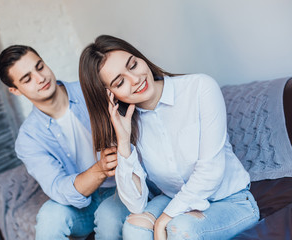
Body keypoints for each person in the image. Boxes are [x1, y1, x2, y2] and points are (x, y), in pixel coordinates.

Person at [78, 35, 260, 240]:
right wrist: (123, 142)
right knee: (134, 228)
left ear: (140, 58)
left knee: (179, 228)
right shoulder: (127, 123)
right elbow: (135, 204)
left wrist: (166, 216)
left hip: (230, 200)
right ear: (109, 95)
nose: (135, 79)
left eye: (133, 65)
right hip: (174, 199)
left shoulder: (200, 87)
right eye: (120, 82)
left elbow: (211, 170)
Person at [0, 45, 129, 240]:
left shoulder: (91, 89)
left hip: (121, 187)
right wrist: (99, 170)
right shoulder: (28, 139)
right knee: (49, 217)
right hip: (82, 205)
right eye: (27, 79)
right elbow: (57, 188)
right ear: (15, 90)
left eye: (39, 67)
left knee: (108, 217)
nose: (40, 78)